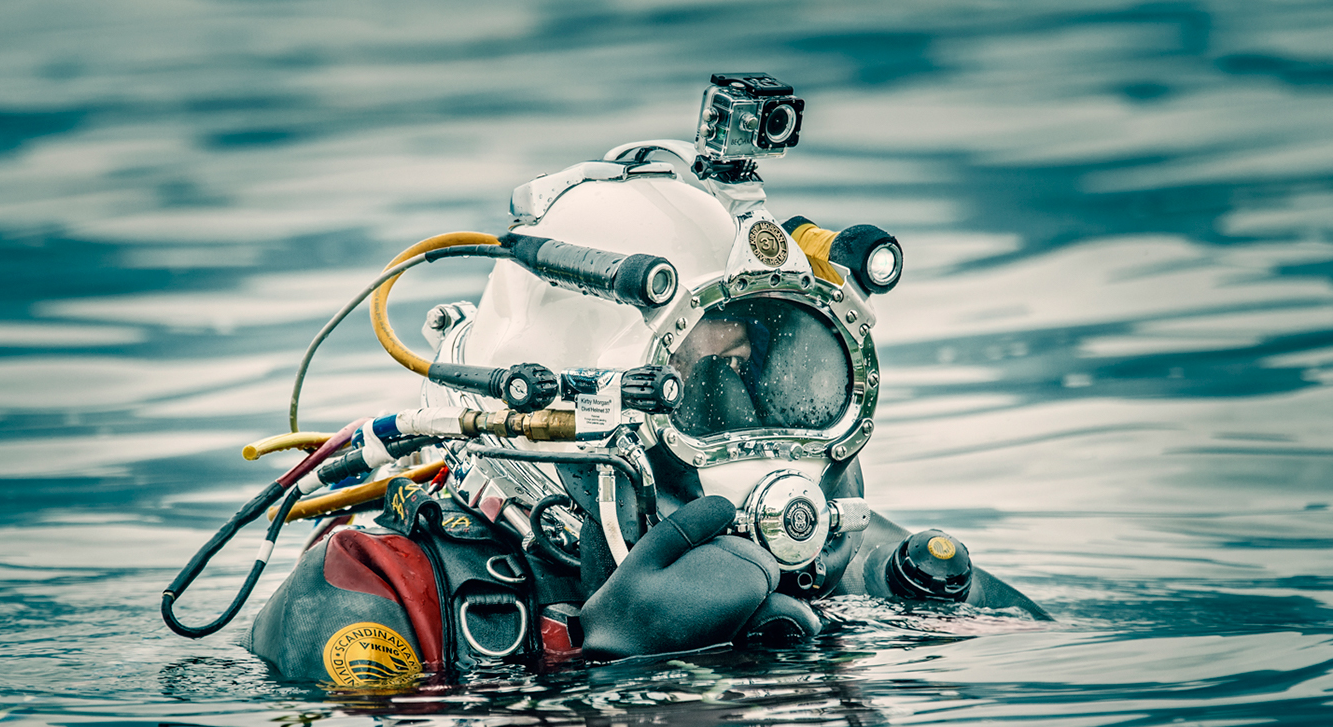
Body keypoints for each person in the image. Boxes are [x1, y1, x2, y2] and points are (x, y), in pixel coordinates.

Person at [244, 103, 1047, 687]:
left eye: (764, 378)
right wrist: (604, 661)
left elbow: (1044, 671)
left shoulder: (836, 554)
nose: (755, 441)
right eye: (699, 387)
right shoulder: (378, 594)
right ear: (550, 408)